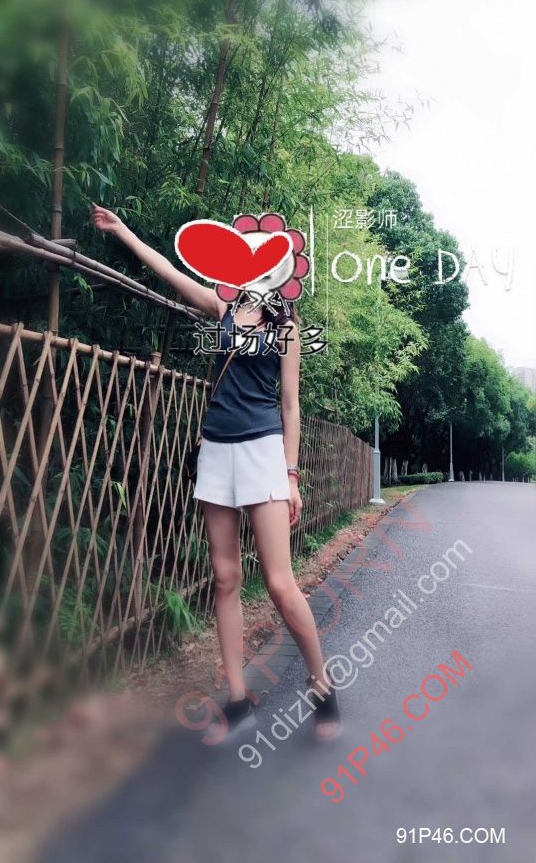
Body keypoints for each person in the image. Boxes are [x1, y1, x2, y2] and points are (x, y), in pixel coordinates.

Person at [91, 205, 341, 742]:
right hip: (217, 451)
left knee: (279, 583)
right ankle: (237, 699)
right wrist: (123, 231)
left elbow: (291, 405)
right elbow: (169, 272)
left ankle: (321, 684)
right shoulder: (224, 309)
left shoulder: (287, 329)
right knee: (225, 578)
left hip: (263, 452)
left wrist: (292, 475)